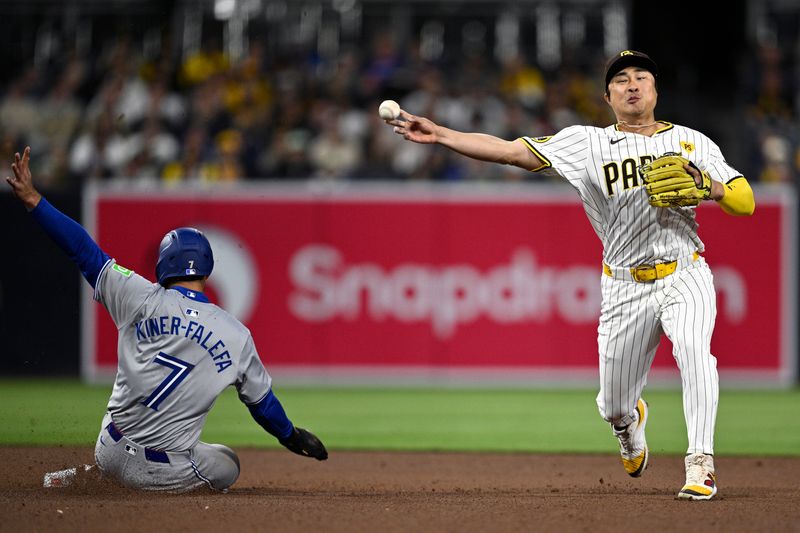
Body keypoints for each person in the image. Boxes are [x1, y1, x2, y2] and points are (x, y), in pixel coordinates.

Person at [385, 50, 755, 500]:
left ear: (656, 90)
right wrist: (441, 134)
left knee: (696, 354)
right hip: (624, 284)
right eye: (621, 79)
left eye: (642, 76)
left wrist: (709, 187)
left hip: (685, 271)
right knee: (612, 404)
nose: (632, 84)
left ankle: (701, 464)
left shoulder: (693, 143)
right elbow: (511, 151)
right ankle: (628, 422)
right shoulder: (588, 143)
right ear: (607, 96)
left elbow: (745, 200)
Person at [6, 147, 328, 492]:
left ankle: (85, 479)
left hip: (109, 448)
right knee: (227, 463)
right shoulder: (236, 336)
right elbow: (263, 406)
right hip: (163, 472)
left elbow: (82, 250)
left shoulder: (137, 295)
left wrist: (34, 200)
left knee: (117, 446)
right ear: (207, 269)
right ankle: (136, 492)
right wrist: (291, 436)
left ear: (164, 264)